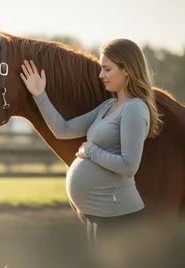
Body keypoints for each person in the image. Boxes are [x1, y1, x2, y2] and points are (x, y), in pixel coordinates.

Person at [20, 39, 161, 239]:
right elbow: (62, 129)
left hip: (120, 219)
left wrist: (90, 151)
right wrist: (39, 94)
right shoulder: (108, 106)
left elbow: (129, 166)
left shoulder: (135, 108)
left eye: (107, 69)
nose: (100, 75)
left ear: (127, 70)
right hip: (100, 217)